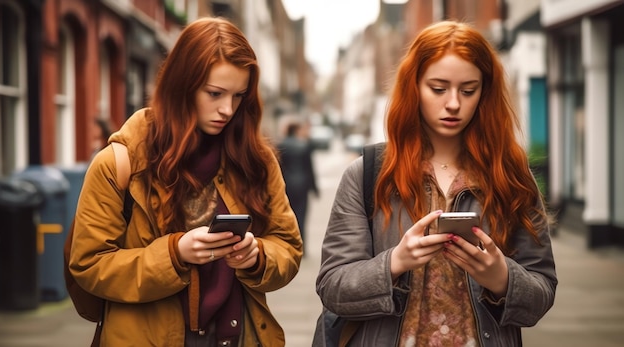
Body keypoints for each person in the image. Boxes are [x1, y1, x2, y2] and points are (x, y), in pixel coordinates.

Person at [313, 20, 557, 347]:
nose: (453, 103)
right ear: (414, 87)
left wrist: (502, 278)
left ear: (485, 92)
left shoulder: (511, 175)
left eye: (468, 90)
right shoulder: (368, 175)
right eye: (438, 89)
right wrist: (394, 263)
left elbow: (542, 292)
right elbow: (333, 287)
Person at [68, 17, 303, 346]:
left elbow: (288, 247)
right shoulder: (119, 162)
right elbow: (89, 265)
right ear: (182, 85)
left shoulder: (255, 160)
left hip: (234, 336)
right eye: (215, 93)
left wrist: (258, 255)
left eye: (238, 97)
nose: (227, 109)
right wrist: (174, 254)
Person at [277, 120, 319, 247]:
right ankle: (302, 245)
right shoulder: (304, 145)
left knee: (287, 216)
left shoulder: (280, 145)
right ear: (296, 131)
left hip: (286, 185)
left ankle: (290, 244)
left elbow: (278, 167)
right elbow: (310, 168)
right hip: (302, 185)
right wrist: (314, 188)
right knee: (302, 215)